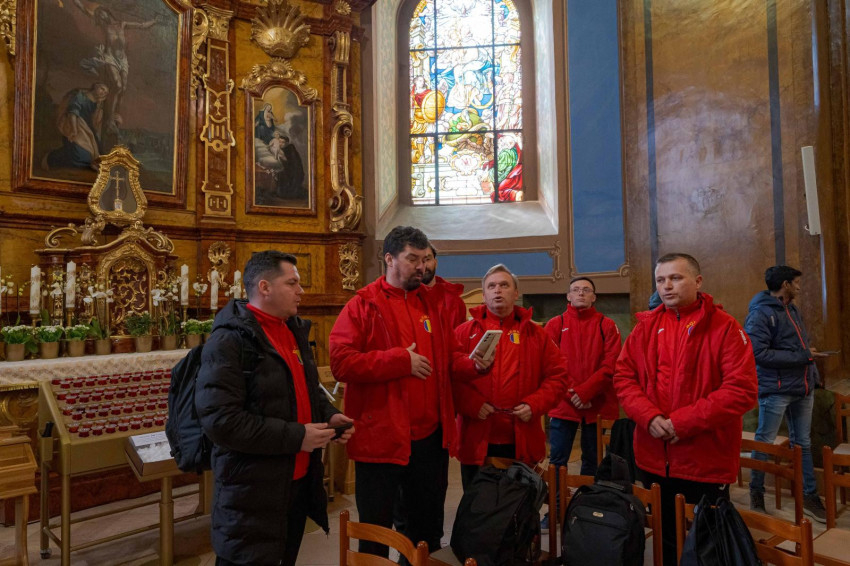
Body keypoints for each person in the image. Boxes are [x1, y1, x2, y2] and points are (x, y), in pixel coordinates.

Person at [329, 226, 492, 558]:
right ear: (389, 259)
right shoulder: (363, 305)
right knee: (376, 533)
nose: (421, 267)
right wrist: (399, 361)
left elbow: (447, 360)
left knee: (426, 533)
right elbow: (341, 363)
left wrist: (474, 365)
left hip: (429, 441)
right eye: (412, 259)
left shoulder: (430, 304)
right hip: (381, 438)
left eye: (424, 259)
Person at [195, 251, 353, 566]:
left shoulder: (292, 329)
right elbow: (221, 421)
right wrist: (298, 437)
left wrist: (328, 415)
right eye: (292, 283)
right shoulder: (229, 341)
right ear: (264, 287)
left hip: (293, 484)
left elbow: (305, 389)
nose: (301, 291)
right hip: (251, 491)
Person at [613, 253, 757, 566]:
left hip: (704, 458)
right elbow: (624, 377)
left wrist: (681, 423)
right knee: (665, 540)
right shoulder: (645, 328)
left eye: (675, 278)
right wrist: (649, 416)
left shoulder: (725, 328)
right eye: (660, 280)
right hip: (654, 456)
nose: (667, 286)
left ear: (698, 281)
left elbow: (741, 391)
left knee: (707, 547)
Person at [454, 264, 570, 490]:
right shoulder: (463, 332)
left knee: (519, 505)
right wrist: (471, 403)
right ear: (484, 294)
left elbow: (559, 377)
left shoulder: (537, 334)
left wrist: (534, 404)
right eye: (491, 286)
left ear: (516, 293)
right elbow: (449, 378)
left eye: (504, 285)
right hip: (477, 439)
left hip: (522, 438)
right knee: (478, 505)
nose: (497, 290)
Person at [745, 265, 828, 522]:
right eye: (796, 282)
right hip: (777, 389)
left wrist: (809, 361)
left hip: (803, 387)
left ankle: (809, 496)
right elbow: (758, 354)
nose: (799, 287)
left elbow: (797, 346)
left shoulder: (791, 309)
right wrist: (803, 356)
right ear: (785, 284)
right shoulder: (760, 313)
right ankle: (756, 492)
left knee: (802, 444)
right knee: (764, 442)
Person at [544, 276, 621, 477]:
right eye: (576, 289)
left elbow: (612, 364)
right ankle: (557, 497)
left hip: (597, 402)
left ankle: (587, 497)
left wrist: (586, 392)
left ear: (593, 297)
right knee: (557, 460)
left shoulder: (607, 325)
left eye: (586, 290)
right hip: (564, 403)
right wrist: (574, 394)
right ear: (568, 296)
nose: (581, 293)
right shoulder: (555, 324)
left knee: (593, 460)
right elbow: (550, 365)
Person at [44, 83, 109, 170]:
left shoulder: (97, 103)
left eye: (105, 92)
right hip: (75, 124)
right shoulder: (81, 96)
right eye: (102, 88)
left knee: (94, 154)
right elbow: (73, 113)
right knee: (79, 156)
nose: (103, 92)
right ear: (95, 86)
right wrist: (74, 130)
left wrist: (99, 106)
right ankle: (50, 158)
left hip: (88, 129)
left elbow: (95, 121)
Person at [422, 244, 468, 329]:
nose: (423, 265)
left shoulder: (454, 302)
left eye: (427, 259)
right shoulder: (405, 299)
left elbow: (460, 335)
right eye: (417, 260)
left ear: (435, 263)